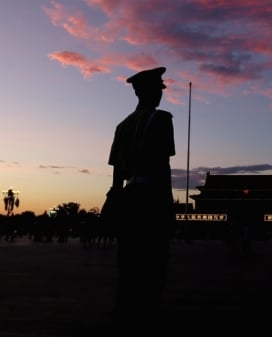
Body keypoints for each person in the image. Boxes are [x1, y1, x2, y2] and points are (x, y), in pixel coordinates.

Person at [107, 67, 176, 330]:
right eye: (158, 89)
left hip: (128, 196)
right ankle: (147, 310)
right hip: (151, 196)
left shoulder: (122, 125)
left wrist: (115, 199)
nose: (161, 94)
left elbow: (116, 172)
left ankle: (124, 307)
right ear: (148, 92)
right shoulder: (160, 120)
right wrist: (166, 203)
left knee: (128, 258)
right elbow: (162, 165)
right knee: (154, 257)